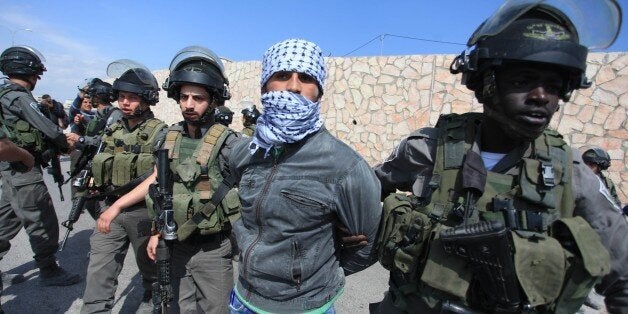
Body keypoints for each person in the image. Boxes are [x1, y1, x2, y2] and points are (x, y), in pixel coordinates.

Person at [372, 1, 627, 313]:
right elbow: (368, 189)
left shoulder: (569, 171)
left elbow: (623, 271)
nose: (541, 96)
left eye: (554, 86)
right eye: (522, 81)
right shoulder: (428, 148)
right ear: (485, 84)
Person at [228, 38, 382, 313]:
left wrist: (314, 280)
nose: (294, 86)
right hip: (243, 298)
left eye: (306, 77)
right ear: (265, 86)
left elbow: (366, 247)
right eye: (283, 75)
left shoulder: (344, 166)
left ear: (319, 92)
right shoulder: (247, 151)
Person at [106, 45, 240, 313]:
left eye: (198, 98)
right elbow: (162, 188)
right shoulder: (167, 139)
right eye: (184, 96)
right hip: (174, 245)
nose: (189, 104)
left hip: (212, 250)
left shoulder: (230, 144)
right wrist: (157, 232)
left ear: (214, 100)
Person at [80, 60, 164, 313]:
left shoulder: (160, 132)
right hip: (110, 209)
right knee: (99, 271)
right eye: (122, 97)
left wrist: (117, 206)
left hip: (142, 212)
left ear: (148, 99)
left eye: (133, 98)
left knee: (151, 269)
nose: (125, 103)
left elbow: (159, 177)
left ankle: (152, 296)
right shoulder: (113, 129)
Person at [0, 45, 80, 288]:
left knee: (7, 219)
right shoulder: (20, 97)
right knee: (42, 219)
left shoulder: (3, 93)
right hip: (24, 168)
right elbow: (49, 129)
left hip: (9, 170)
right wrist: (65, 143)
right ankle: (49, 269)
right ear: (30, 73)